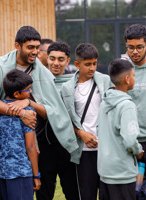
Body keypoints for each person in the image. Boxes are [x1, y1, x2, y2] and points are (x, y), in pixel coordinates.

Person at [0, 26, 79, 200]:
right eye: (30, 47)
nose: (35, 52)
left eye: (37, 47)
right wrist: (20, 113)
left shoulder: (42, 71)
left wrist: (29, 103)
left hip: (27, 146)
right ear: (17, 46)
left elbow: (51, 111)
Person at [61, 43, 112, 200]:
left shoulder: (105, 81)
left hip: (106, 149)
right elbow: (66, 118)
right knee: (87, 193)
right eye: (87, 64)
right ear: (77, 64)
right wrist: (80, 133)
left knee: (107, 194)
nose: (92, 68)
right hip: (83, 151)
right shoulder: (68, 88)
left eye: (95, 63)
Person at [36, 41, 80, 200]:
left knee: (73, 191)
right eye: (52, 58)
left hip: (68, 147)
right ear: (47, 58)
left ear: (68, 61)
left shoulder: (75, 83)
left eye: (61, 59)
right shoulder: (37, 83)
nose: (56, 63)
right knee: (44, 193)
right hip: (44, 145)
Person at [97, 58, 143, 200]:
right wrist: (139, 150)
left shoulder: (105, 102)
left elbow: (98, 129)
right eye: (134, 75)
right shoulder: (127, 105)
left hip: (105, 172)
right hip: (122, 174)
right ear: (127, 79)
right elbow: (130, 141)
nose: (135, 78)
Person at [0, 69, 41, 200]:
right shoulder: (28, 111)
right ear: (16, 94)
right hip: (21, 172)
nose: (30, 92)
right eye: (28, 89)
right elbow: (30, 146)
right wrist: (36, 175)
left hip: (3, 171)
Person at [123, 24, 146, 199]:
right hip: (130, 143)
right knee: (134, 193)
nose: (135, 52)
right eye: (131, 47)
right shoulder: (121, 70)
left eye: (139, 47)